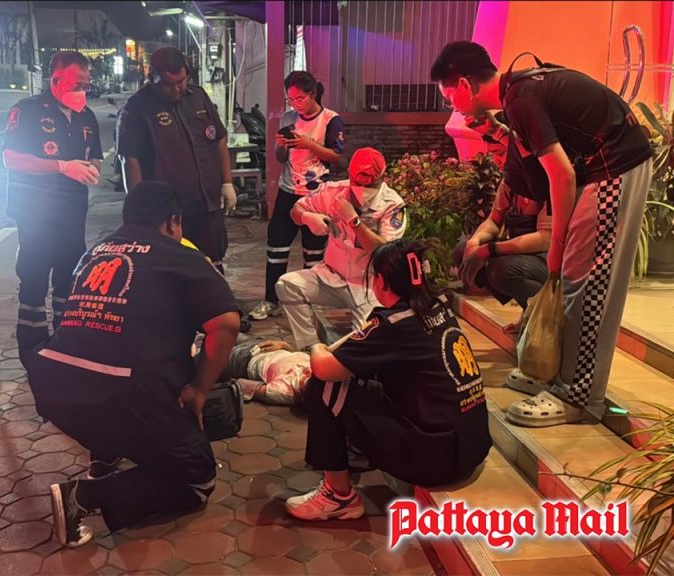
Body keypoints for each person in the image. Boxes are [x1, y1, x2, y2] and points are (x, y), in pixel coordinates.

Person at [431, 42, 653, 427]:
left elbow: (561, 174)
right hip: (608, 167)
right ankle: (565, 380)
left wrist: (558, 245)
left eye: (449, 96)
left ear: (464, 84)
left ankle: (578, 398)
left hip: (615, 167)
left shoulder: (521, 96)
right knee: (578, 279)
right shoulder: (520, 92)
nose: (453, 105)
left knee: (586, 281)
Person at [26, 182, 241, 547]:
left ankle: (105, 453)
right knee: (198, 476)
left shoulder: (94, 252)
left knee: (119, 355)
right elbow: (226, 324)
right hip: (122, 394)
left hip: (53, 385)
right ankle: (83, 497)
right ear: (172, 221)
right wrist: (199, 388)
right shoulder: (180, 255)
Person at [285, 239, 492, 521]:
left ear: (381, 281)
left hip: (438, 462)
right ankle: (356, 452)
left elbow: (324, 368)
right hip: (471, 448)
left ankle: (337, 496)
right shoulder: (439, 305)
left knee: (324, 386)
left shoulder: (395, 323)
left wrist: (315, 346)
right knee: (364, 377)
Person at [2, 51, 102, 361]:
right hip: (35, 213)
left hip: (72, 212)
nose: (81, 91)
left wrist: (90, 169)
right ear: (56, 80)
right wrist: (61, 166)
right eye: (76, 85)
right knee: (34, 278)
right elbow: (11, 159)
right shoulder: (28, 111)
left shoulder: (86, 116)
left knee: (69, 279)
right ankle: (32, 351)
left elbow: (95, 156)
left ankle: (65, 346)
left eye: (86, 85)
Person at [117, 47, 235, 273]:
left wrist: (227, 183)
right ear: (152, 78)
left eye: (181, 81)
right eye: (168, 84)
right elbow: (130, 159)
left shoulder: (198, 96)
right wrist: (138, 208)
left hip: (206, 202)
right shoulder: (137, 108)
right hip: (168, 210)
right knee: (170, 269)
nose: (176, 89)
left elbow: (218, 139)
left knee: (212, 264)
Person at [276, 147, 406, 351]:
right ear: (350, 175)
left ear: (382, 178)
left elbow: (384, 250)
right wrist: (307, 217)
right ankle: (310, 348)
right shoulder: (332, 191)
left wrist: (353, 220)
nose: (363, 189)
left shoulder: (392, 204)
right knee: (287, 285)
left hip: (369, 285)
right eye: (358, 183)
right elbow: (296, 210)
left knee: (364, 346)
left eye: (369, 184)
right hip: (331, 276)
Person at [249, 71, 345, 321]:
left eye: (300, 98)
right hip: (288, 189)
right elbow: (280, 158)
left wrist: (307, 144)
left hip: (317, 195)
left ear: (312, 94)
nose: (295, 104)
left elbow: (337, 157)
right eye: (291, 99)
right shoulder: (288, 117)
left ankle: (309, 302)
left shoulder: (331, 120)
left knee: (313, 252)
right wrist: (282, 145)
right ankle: (271, 300)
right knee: (276, 246)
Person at [454, 112, 551, 335]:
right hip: (522, 254)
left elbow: (545, 239)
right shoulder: (509, 181)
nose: (496, 161)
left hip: (549, 259)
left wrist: (489, 250)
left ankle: (543, 316)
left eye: (499, 153)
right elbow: (493, 220)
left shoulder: (544, 180)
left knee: (502, 270)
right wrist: (475, 243)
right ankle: (528, 312)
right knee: (463, 250)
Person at [198, 334, 310, 405]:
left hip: (242, 361)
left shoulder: (285, 391)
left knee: (199, 362)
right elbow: (298, 355)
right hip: (260, 345)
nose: (308, 372)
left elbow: (244, 385)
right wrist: (285, 345)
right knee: (220, 328)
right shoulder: (315, 369)